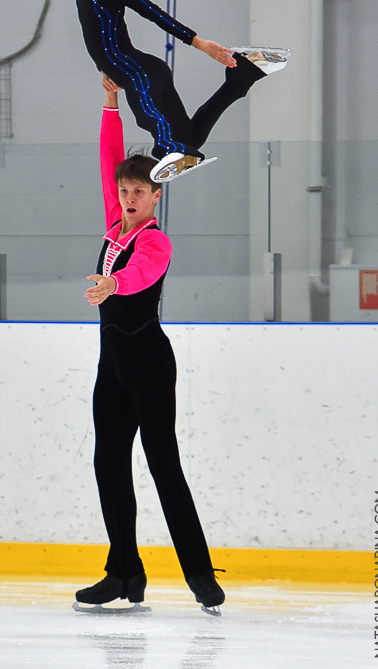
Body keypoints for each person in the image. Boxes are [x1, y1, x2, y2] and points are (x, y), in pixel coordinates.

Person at [75, 77, 225, 614]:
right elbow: (109, 158)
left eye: (139, 191)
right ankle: (124, 574)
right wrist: (110, 102)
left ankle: (201, 576)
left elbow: (141, 275)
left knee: (164, 465)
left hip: (149, 365)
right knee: (108, 465)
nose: (130, 196)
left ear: (156, 195)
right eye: (124, 190)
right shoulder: (114, 225)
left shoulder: (153, 239)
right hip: (111, 367)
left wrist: (112, 285)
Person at [74, 0, 289, 183]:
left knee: (147, 117)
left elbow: (154, 13)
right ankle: (242, 76)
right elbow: (93, 35)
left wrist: (199, 43)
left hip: (139, 72)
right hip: (136, 71)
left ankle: (171, 149)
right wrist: (104, 69)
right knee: (192, 137)